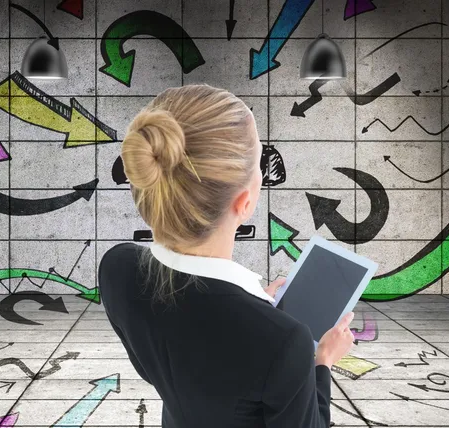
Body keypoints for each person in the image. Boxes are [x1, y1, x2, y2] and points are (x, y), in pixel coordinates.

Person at [98, 84, 356, 427]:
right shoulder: (285, 343)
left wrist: (252, 306)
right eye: (258, 162)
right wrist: (322, 362)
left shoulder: (117, 268)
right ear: (245, 202)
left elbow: (162, 363)